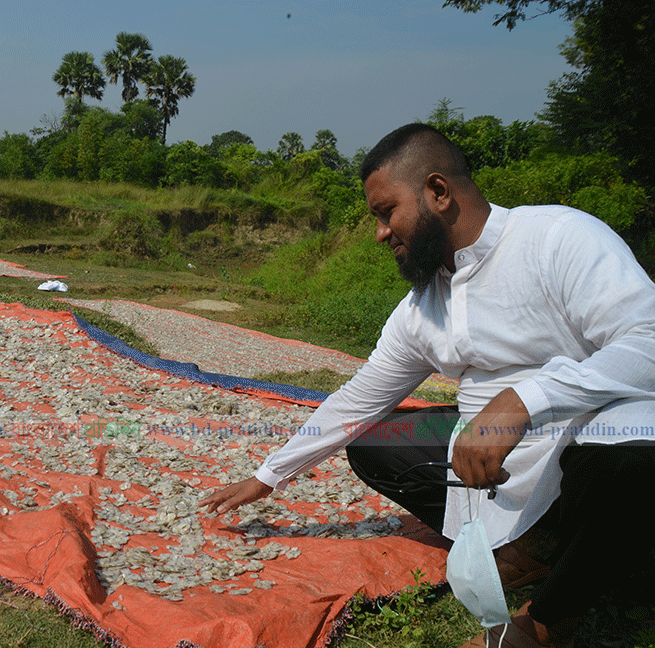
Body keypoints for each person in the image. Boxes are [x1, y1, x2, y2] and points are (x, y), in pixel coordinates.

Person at [200, 123, 655, 647]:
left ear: (438, 192)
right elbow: (358, 399)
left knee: (635, 451)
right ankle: (535, 544)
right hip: (485, 467)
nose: (379, 233)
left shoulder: (557, 238)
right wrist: (267, 475)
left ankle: (550, 617)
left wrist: (527, 400)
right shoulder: (424, 306)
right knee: (374, 442)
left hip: (582, 446)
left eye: (386, 212)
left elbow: (645, 339)